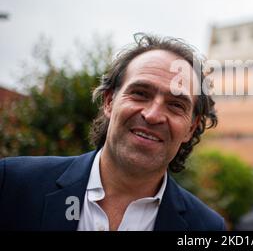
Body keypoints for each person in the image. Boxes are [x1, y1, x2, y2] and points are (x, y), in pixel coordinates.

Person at [0, 33, 226, 231]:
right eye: (140, 93)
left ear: (191, 128)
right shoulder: (13, 184)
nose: (153, 115)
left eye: (176, 105)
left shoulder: (206, 227)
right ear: (109, 101)